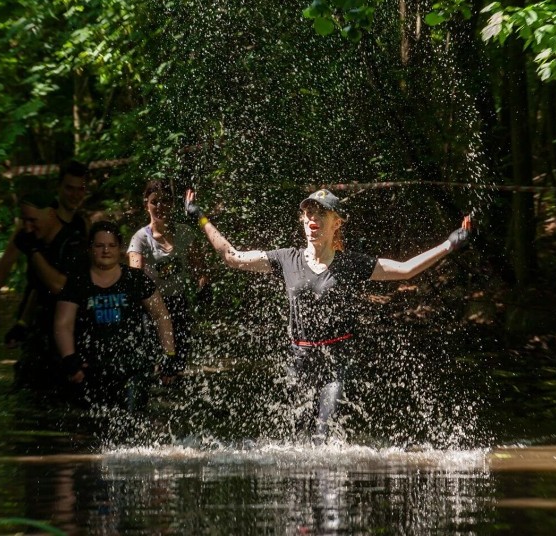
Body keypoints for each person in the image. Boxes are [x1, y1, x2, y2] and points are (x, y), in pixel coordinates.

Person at [183, 188, 471, 443]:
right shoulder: (285, 258)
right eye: (308, 212)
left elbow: (406, 269)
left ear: (337, 223)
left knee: (323, 434)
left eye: (321, 213)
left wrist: (450, 244)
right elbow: (232, 257)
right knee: (296, 441)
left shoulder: (352, 265)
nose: (313, 219)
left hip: (336, 361)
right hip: (299, 359)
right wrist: (201, 218)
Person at [54, 221, 176, 408]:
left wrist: (168, 354)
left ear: (120, 249)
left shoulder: (135, 279)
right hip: (91, 369)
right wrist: (69, 359)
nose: (106, 250)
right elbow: (63, 324)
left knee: (133, 422)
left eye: (111, 245)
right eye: (100, 245)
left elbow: (161, 315)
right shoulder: (77, 282)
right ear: (90, 248)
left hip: (134, 367)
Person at [0, 160, 90, 340]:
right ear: (59, 187)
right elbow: (8, 260)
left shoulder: (83, 225)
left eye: (80, 189)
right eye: (70, 188)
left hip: (68, 311)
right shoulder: (33, 221)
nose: (75, 195)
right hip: (35, 309)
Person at [127, 180, 210, 380]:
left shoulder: (184, 233)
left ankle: (173, 387)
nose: (160, 207)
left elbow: (199, 268)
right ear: (146, 204)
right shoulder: (140, 239)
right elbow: (134, 277)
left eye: (166, 201)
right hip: (151, 305)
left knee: (180, 353)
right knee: (154, 352)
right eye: (155, 202)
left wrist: (204, 286)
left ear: (172, 204)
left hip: (177, 300)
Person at [10, 191, 88, 393]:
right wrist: (22, 324)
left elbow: (60, 287)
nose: (28, 227)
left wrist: (34, 252)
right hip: (41, 339)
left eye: (32, 220)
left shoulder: (74, 245)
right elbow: (39, 287)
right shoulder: (38, 242)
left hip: (70, 344)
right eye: (24, 220)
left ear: (51, 214)